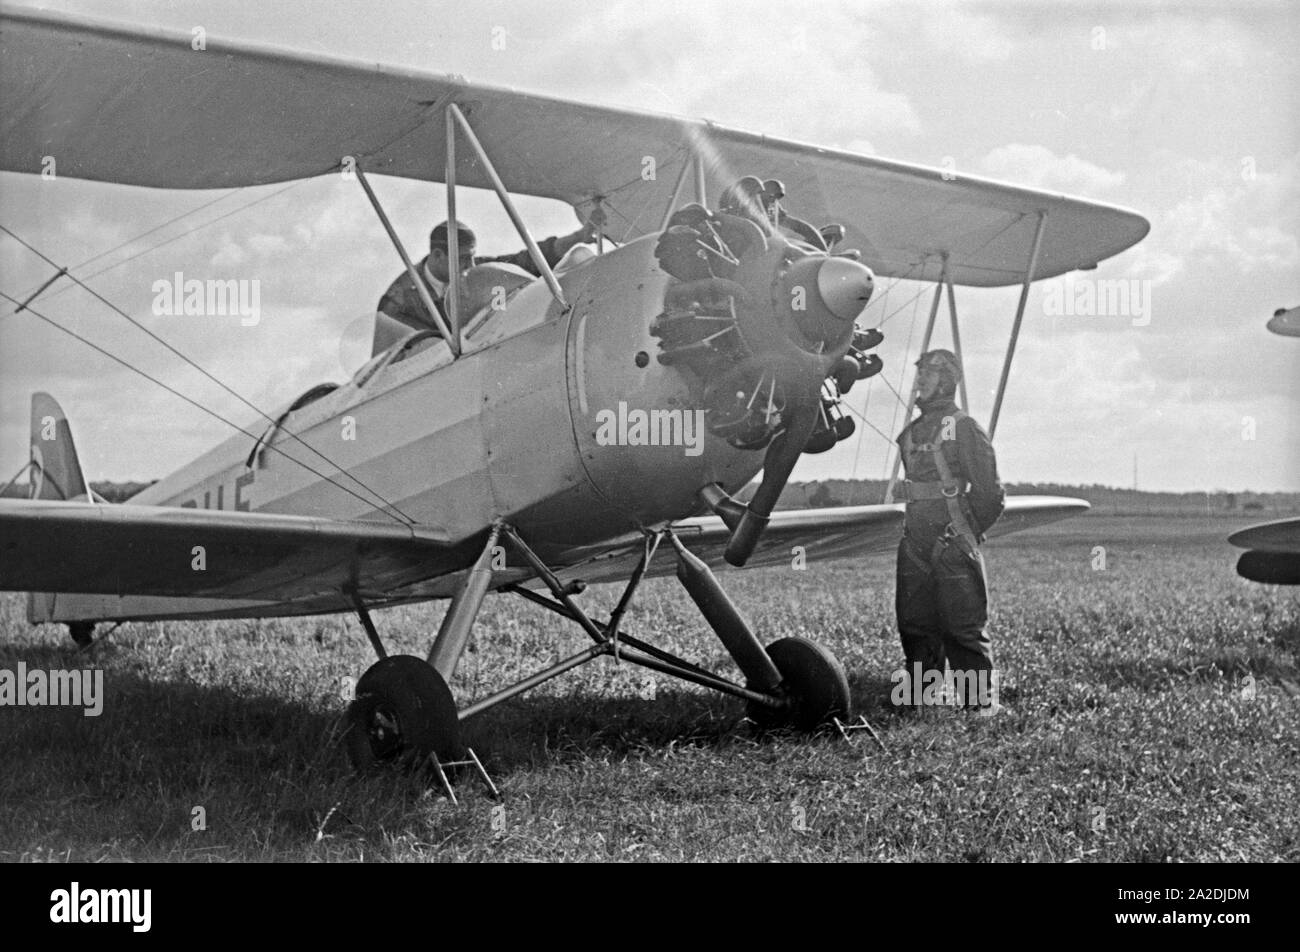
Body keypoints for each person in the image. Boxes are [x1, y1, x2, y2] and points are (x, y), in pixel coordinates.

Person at [894, 349, 1005, 713]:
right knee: (915, 626)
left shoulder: (965, 428)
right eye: (920, 373)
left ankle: (979, 707)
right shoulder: (910, 433)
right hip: (914, 544)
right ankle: (920, 702)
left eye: (928, 374)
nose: (920, 381)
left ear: (946, 380)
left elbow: (990, 495)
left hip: (953, 541)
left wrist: (965, 533)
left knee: (963, 628)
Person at [377, 214, 601, 337]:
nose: (471, 266)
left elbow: (525, 261)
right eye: (463, 258)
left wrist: (577, 237)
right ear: (437, 255)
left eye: (473, 257)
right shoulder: (399, 300)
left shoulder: (471, 270)